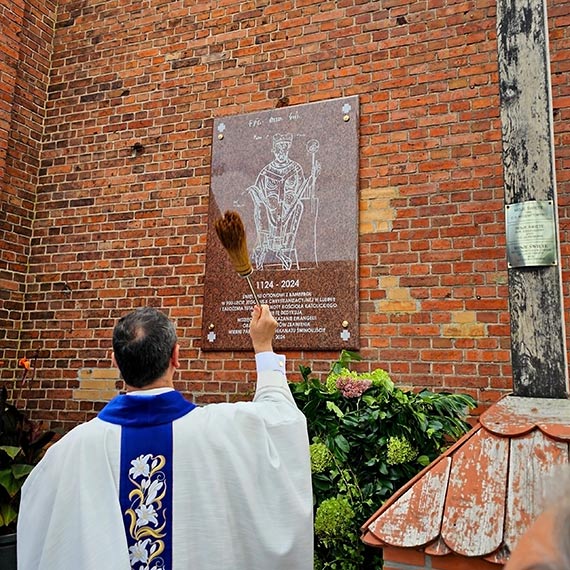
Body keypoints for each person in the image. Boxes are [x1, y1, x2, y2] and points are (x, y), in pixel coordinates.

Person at [17, 304, 313, 570]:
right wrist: (263, 347)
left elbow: (41, 541)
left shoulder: (67, 452)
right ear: (176, 356)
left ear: (115, 361)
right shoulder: (220, 430)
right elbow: (281, 421)